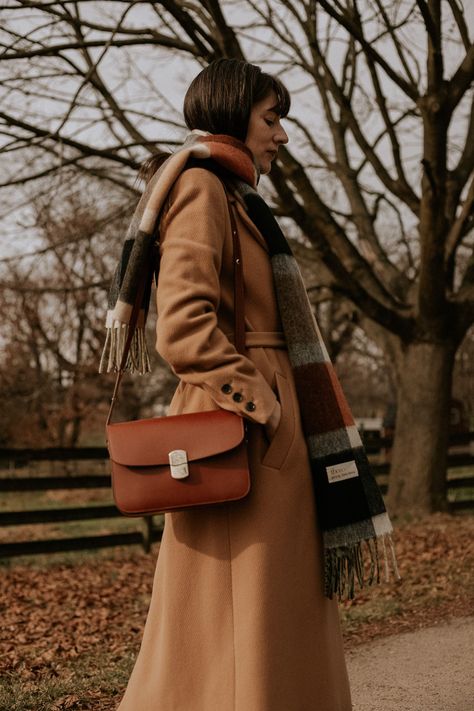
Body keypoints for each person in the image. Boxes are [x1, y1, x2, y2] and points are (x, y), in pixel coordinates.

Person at [111, 58, 362, 711]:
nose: (281, 135)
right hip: (238, 435)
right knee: (234, 623)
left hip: (269, 437)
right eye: (271, 118)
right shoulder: (200, 188)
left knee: (272, 616)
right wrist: (265, 406)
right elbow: (185, 329)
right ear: (231, 113)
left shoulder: (239, 197)